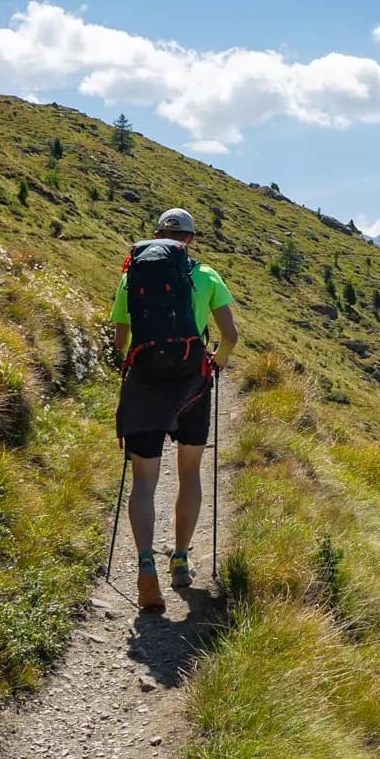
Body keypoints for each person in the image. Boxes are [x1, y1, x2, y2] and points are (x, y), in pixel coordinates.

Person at [111, 207, 238, 609]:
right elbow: (230, 335)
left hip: (146, 381)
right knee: (189, 472)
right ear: (191, 239)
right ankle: (180, 561)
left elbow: (120, 339)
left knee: (144, 480)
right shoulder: (206, 276)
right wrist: (217, 360)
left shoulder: (133, 273)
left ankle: (145, 561)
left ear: (157, 236)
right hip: (192, 384)